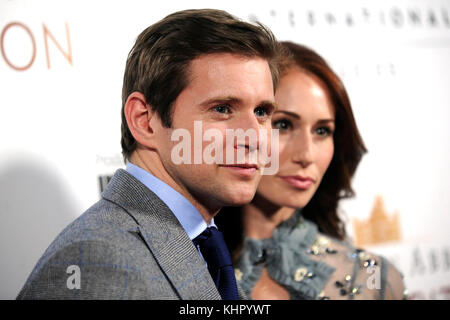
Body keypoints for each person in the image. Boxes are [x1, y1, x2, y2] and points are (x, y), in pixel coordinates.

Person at [16, 9, 281, 300]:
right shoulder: (100, 261)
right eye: (221, 109)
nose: (254, 136)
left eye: (262, 112)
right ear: (144, 120)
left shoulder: (201, 242)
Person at [216, 41, 407, 300]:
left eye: (322, 130)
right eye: (283, 124)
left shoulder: (375, 280)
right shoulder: (175, 265)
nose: (306, 155)